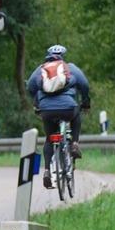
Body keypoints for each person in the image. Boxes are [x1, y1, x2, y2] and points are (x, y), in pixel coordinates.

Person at [27, 45, 90, 188]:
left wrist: (37, 103)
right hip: (68, 108)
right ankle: (74, 144)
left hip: (46, 110)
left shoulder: (41, 69)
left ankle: (47, 171)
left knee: (50, 139)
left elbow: (31, 86)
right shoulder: (70, 67)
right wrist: (85, 102)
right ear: (63, 56)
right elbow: (84, 85)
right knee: (76, 116)